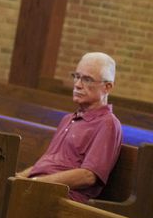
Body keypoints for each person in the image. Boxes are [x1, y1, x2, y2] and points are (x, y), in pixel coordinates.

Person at [16, 52, 122, 202]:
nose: (78, 84)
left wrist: (35, 184)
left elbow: (88, 175)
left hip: (61, 198)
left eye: (87, 79)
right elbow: (47, 163)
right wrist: (20, 178)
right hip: (39, 189)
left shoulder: (107, 123)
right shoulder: (68, 119)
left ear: (107, 87)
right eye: (77, 76)